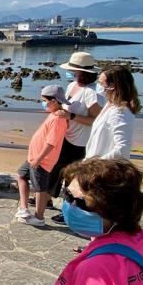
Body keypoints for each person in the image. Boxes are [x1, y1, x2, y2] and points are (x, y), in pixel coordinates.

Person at [54, 158, 143, 285]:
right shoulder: (141, 240)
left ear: (110, 210)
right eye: (66, 194)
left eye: (78, 200)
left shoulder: (95, 270)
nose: (68, 205)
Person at [44, 52, 104, 224]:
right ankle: (47, 197)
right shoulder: (72, 86)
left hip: (79, 142)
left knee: (72, 177)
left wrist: (71, 117)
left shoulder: (92, 94)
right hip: (66, 136)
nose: (72, 73)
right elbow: (66, 103)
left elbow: (96, 120)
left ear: (83, 73)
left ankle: (68, 211)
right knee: (55, 169)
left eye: (74, 71)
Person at [15, 85, 69, 227]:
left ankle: (39, 217)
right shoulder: (54, 115)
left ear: (55, 101)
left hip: (42, 160)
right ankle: (24, 208)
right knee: (21, 175)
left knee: (40, 188)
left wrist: (39, 158)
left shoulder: (58, 119)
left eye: (45, 100)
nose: (43, 102)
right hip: (34, 157)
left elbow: (51, 143)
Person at [85, 65, 141, 160]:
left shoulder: (120, 112)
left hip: (105, 170)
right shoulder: (110, 105)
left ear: (111, 86)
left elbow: (122, 150)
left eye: (101, 83)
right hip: (96, 168)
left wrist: (94, 164)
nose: (98, 87)